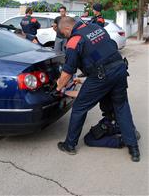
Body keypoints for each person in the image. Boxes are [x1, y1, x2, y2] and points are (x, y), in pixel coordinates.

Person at [55, 17, 140, 162]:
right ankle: (134, 148)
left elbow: (67, 72)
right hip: (119, 68)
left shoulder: (74, 40)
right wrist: (85, 76)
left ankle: (70, 145)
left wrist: (58, 87)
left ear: (68, 29)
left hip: (102, 76)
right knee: (121, 106)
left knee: (79, 107)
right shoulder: (96, 28)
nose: (66, 37)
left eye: (65, 34)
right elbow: (99, 52)